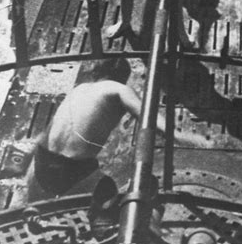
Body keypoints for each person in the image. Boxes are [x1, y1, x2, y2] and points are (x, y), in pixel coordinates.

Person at [26, 58, 205, 200]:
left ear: (96, 72)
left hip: (42, 160)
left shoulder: (79, 89)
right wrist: (180, 136)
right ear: (123, 76)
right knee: (113, 195)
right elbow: (148, 117)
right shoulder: (118, 89)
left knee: (41, 206)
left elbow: (47, 131)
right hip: (74, 170)